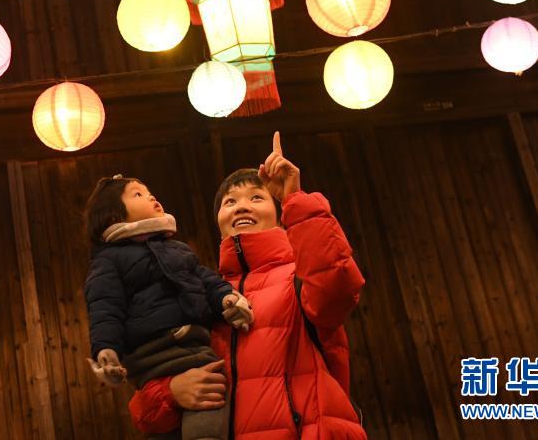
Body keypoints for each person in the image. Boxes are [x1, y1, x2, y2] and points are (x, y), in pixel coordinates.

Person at [129, 132, 367, 439]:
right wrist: (171, 392)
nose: (241, 207)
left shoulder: (300, 278)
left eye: (256, 198)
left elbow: (337, 285)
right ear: (219, 222)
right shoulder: (199, 295)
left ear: (279, 216)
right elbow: (144, 414)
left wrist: (294, 199)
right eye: (230, 201)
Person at [84, 175, 255, 440]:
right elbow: (104, 308)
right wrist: (106, 349)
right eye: (138, 194)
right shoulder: (108, 260)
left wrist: (226, 298)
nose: (151, 197)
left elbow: (206, 279)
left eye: (149, 191)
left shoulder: (177, 249)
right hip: (152, 357)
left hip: (195, 350)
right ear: (114, 217)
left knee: (212, 396)